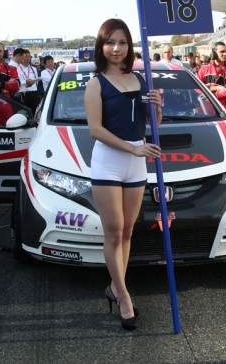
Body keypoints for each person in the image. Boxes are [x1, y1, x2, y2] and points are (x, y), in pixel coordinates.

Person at [84, 18, 162, 330]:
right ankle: (124, 297)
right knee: (114, 232)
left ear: (129, 46)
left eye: (122, 42)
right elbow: (95, 130)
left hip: (136, 162)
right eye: (110, 42)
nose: (116, 48)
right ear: (101, 47)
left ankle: (116, 287)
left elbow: (151, 122)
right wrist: (133, 150)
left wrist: (156, 106)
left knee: (128, 231)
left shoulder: (141, 79)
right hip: (109, 162)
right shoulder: (95, 83)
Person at [196, 41, 226, 112]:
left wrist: (208, 94)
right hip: (203, 111)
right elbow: (197, 88)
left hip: (222, 113)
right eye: (222, 52)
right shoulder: (203, 69)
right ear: (214, 54)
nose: (225, 54)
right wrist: (216, 88)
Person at [16, 50, 40, 115]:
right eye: (25, 57)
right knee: (23, 113)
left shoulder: (33, 69)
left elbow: (36, 80)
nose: (28, 58)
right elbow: (17, 81)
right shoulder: (17, 68)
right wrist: (25, 82)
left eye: (29, 57)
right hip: (22, 94)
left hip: (33, 93)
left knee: (34, 113)